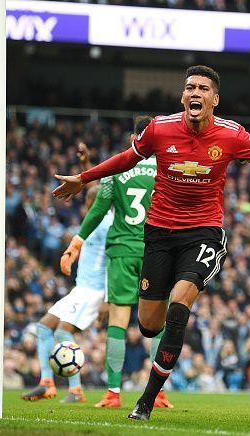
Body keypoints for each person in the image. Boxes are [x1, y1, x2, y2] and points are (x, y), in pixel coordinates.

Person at [52, 65, 250, 420]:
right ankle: (158, 360)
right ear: (183, 96)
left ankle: (146, 401)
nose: (195, 93)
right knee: (149, 325)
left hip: (203, 233)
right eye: (190, 87)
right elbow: (126, 159)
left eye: (203, 88)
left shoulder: (231, 135)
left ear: (215, 99)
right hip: (157, 234)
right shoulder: (159, 128)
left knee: (179, 305)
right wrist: (83, 177)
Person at [59, 116, 172, 409]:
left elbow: (98, 208)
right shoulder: (167, 168)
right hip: (156, 251)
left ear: (134, 137)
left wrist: (77, 241)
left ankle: (113, 393)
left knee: (119, 321)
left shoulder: (118, 167)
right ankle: (158, 393)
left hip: (122, 250)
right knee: (157, 324)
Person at [21, 144, 111, 404]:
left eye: (88, 201)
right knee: (42, 328)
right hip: (80, 288)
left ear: (95, 203)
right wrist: (87, 164)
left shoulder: (106, 224)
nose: (84, 204)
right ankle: (47, 382)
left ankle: (76, 390)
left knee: (62, 332)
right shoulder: (92, 222)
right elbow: (97, 188)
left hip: (94, 290)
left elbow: (113, 259)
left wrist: (106, 298)